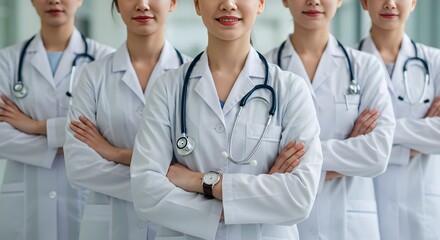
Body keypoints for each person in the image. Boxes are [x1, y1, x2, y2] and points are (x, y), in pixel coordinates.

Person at [129, 0, 324, 239]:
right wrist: (253, 201)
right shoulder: (168, 88)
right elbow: (146, 193)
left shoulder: (290, 89)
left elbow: (299, 197)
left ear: (261, 4)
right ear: (198, 5)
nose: (228, 5)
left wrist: (201, 182)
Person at [265, 0, 396, 239]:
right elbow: (260, 161)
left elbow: (378, 153)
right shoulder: (265, 71)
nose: (313, 1)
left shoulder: (365, 67)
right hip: (286, 223)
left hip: (352, 225)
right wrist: (348, 157)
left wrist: (295, 160)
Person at [63, 0, 193, 239]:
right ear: (117, 4)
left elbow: (200, 167)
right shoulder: (92, 75)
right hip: (108, 226)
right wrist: (164, 179)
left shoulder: (193, 77)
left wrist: (114, 153)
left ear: (173, 3)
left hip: (171, 226)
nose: (142, 5)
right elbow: (79, 166)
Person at [0, 0, 113, 239]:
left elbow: (107, 130)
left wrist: (34, 126)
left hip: (84, 197)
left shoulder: (105, 60)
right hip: (24, 201)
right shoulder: (7, 62)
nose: (54, 1)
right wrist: (71, 142)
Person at [359, 0, 440, 239]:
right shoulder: (351, 65)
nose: (390, 4)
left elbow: (359, 142)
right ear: (364, 2)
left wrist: (376, 135)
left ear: (414, 2)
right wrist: (416, 143)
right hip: (367, 203)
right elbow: (346, 143)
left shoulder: (434, 61)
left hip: (423, 207)